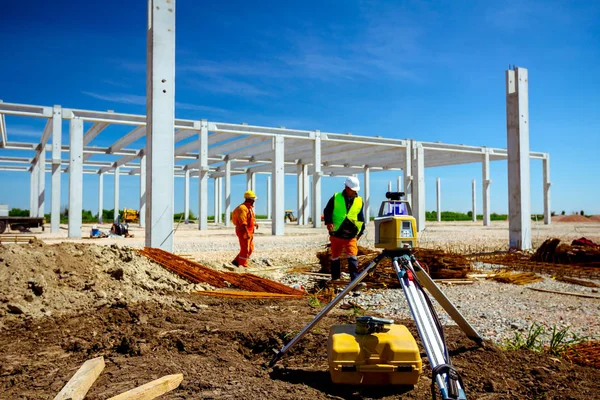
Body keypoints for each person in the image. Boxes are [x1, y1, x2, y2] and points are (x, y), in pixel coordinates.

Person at [323, 176, 366, 283]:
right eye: (353, 190)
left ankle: (354, 280)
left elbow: (361, 217)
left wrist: (361, 231)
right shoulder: (336, 197)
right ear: (347, 187)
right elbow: (327, 210)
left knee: (352, 256)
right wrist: (329, 222)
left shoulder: (359, 201)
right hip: (336, 232)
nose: (354, 192)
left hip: (351, 234)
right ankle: (335, 278)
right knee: (335, 257)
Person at [231, 190, 259, 267]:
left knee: (250, 248)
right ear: (249, 199)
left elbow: (250, 219)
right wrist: (246, 233)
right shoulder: (242, 208)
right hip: (243, 231)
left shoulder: (248, 208)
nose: (254, 201)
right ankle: (242, 265)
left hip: (249, 231)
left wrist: (254, 224)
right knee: (245, 249)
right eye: (253, 200)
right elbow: (243, 222)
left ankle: (236, 262)